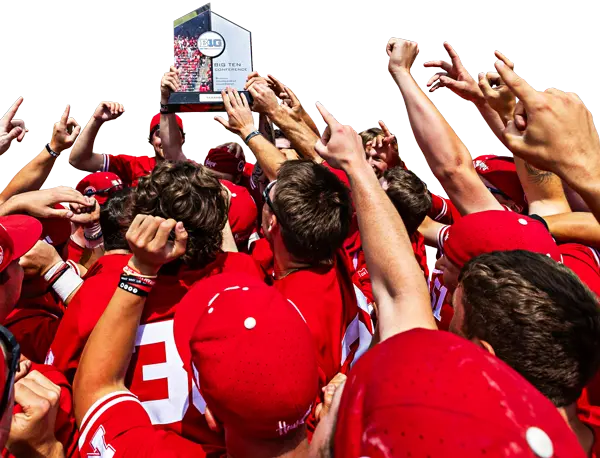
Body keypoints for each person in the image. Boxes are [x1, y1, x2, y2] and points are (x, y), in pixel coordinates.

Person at [48, 161, 259, 452]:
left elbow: (60, 384)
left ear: (139, 223)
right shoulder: (243, 275)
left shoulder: (101, 289)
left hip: (128, 442)